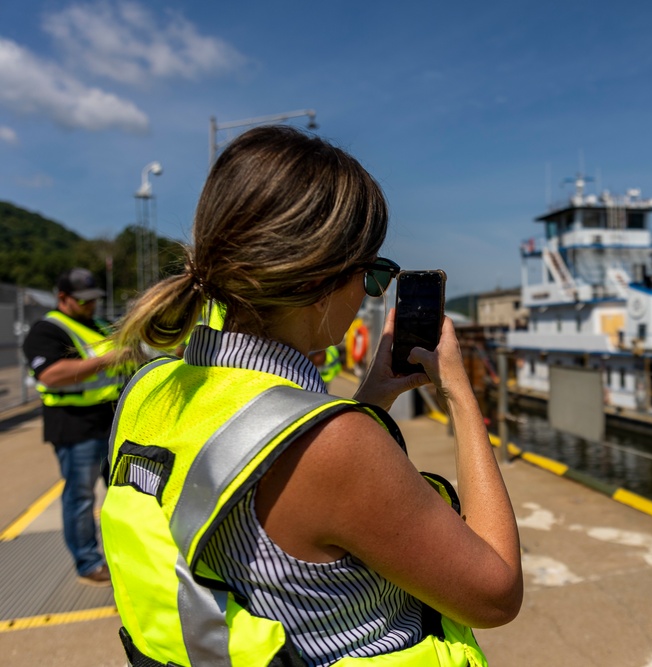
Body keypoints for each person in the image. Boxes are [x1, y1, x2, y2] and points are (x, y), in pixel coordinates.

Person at [103, 126, 522, 666]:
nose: (368, 294)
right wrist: (462, 398)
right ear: (319, 280)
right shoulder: (333, 445)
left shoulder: (149, 391)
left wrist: (370, 400)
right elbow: (496, 593)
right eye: (372, 275)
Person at [21, 267, 126, 586]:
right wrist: (107, 360)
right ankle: (88, 562)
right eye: (83, 300)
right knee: (80, 496)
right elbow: (50, 374)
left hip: (109, 420)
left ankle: (122, 553)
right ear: (63, 298)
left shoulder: (97, 324)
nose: (90, 305)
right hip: (75, 426)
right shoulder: (47, 330)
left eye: (94, 299)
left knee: (123, 491)